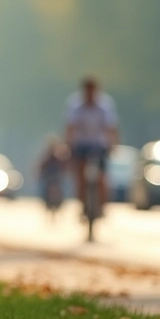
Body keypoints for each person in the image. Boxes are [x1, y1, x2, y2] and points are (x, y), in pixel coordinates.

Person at [64, 76, 119, 216]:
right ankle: (82, 205)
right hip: (81, 144)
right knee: (80, 175)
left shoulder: (105, 105)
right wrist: (69, 145)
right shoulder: (75, 105)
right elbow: (71, 127)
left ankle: (102, 206)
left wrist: (113, 145)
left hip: (99, 145)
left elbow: (111, 127)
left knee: (101, 177)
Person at [34, 134, 69, 219]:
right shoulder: (46, 158)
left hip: (56, 180)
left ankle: (60, 203)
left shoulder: (59, 158)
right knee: (42, 189)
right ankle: (45, 202)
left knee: (63, 188)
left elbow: (64, 169)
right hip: (48, 180)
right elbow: (40, 168)